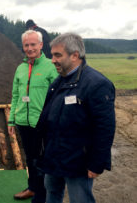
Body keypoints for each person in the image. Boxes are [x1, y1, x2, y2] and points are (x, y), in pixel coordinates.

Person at [37, 33, 115, 203]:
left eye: (58, 55)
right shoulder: (59, 82)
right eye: (52, 55)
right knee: (51, 193)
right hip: (54, 155)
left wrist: (96, 163)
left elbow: (105, 128)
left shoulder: (97, 84)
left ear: (75, 55)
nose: (53, 60)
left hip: (78, 161)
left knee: (80, 199)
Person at [8, 30, 58, 202]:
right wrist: (12, 119)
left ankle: (43, 195)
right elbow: (15, 95)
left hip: (43, 124)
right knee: (30, 158)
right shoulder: (20, 68)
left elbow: (57, 97)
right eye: (26, 45)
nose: (29, 48)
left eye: (33, 44)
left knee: (43, 160)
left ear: (41, 45)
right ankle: (32, 188)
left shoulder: (51, 67)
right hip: (23, 122)